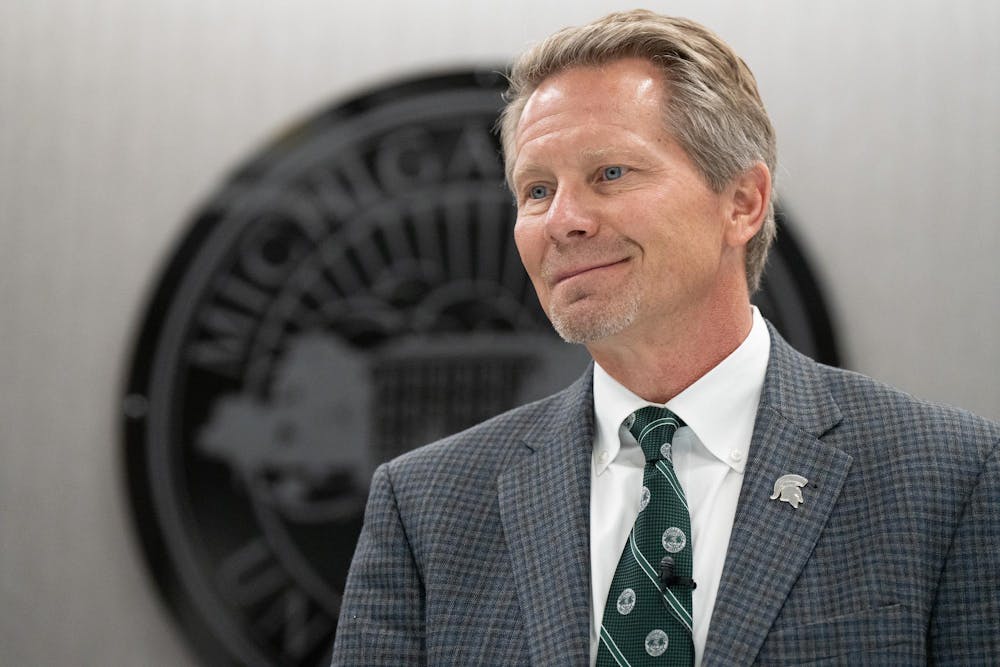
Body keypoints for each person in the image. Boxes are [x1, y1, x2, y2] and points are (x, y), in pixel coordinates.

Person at [331, 10, 999, 666]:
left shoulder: (950, 477)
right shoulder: (425, 506)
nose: (563, 220)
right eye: (536, 189)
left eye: (610, 174)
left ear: (743, 202)